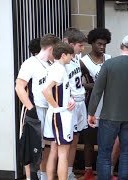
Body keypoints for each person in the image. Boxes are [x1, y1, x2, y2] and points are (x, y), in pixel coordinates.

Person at [87, 35, 128, 180]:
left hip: (109, 115)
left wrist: (91, 112)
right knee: (127, 152)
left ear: (121, 46)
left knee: (104, 153)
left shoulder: (109, 64)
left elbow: (97, 90)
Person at [15, 34, 60, 180]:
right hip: (34, 108)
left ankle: (43, 174)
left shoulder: (51, 65)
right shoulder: (30, 63)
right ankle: (30, 177)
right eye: (56, 50)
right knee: (30, 143)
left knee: (46, 144)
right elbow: (19, 87)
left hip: (48, 109)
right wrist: (30, 108)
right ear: (51, 48)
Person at [80, 28, 112, 179]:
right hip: (91, 102)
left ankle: (105, 171)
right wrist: (98, 85)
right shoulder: (83, 61)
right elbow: (79, 84)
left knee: (106, 141)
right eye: (99, 44)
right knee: (89, 140)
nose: (102, 47)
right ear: (91, 43)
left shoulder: (110, 59)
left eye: (104, 44)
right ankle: (88, 170)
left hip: (108, 104)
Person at [42, 42, 75, 180]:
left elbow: (60, 90)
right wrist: (57, 108)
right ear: (63, 55)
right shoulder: (59, 69)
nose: (72, 58)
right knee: (63, 153)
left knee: (54, 150)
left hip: (57, 113)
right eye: (70, 55)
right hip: (59, 115)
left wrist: (70, 98)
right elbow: (46, 90)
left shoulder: (56, 67)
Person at [62, 27, 88, 180]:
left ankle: (69, 172)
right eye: (80, 45)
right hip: (69, 105)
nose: (82, 48)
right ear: (69, 43)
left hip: (80, 102)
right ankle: (60, 172)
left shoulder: (77, 58)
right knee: (66, 141)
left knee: (76, 139)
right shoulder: (62, 61)